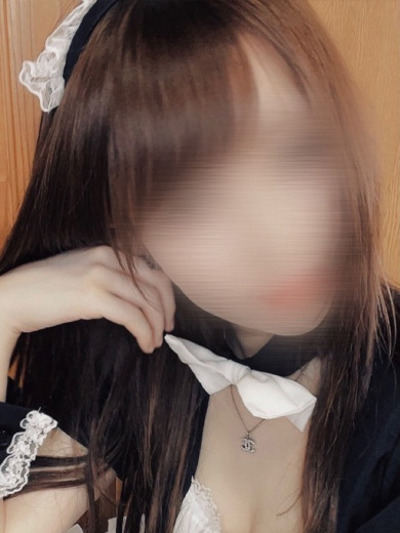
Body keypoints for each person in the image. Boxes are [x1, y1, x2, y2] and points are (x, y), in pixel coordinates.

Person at [0, 0, 399, 532]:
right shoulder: (144, 352)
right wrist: (5, 310)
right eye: (191, 204)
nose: (274, 242)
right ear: (126, 230)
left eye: (298, 153)